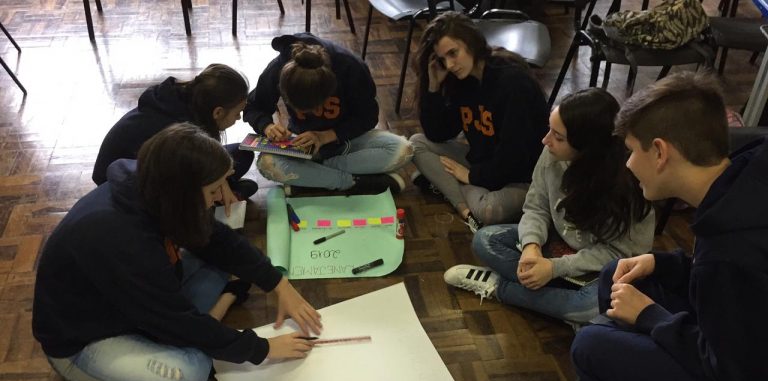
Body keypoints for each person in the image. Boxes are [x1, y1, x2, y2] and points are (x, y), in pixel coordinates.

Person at [34, 123, 323, 381]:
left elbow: (216, 238)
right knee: (190, 375)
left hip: (138, 303)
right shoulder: (120, 237)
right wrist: (262, 349)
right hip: (84, 342)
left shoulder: (157, 187)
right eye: (213, 191)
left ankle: (209, 318)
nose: (220, 199)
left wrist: (278, 284)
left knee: (219, 261)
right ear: (184, 193)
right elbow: (172, 319)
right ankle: (213, 316)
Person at [571, 72, 768, 381]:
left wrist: (650, 317)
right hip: (740, 342)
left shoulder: (729, 253)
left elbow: (732, 373)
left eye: (632, 151)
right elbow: (739, 297)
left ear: (660, 152)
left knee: (589, 347)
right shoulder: (745, 176)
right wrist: (665, 264)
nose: (628, 164)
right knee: (616, 276)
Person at [443, 88, 654, 324]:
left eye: (558, 137)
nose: (545, 141)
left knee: (591, 307)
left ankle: (501, 288)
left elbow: (618, 254)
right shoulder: (552, 154)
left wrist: (554, 269)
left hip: (601, 267)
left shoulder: (626, 186)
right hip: (558, 244)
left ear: (587, 147)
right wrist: (531, 246)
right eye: (549, 129)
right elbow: (536, 206)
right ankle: (556, 298)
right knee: (485, 239)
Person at [410, 12, 549, 232]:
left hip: (522, 177)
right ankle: (466, 210)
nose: (450, 64)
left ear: (471, 42)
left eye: (453, 53)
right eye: (443, 59)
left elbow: (514, 158)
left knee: (489, 210)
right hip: (483, 164)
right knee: (416, 144)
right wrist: (433, 87)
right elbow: (437, 133)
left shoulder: (513, 83)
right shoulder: (462, 79)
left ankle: (448, 186)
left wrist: (468, 176)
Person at [244, 33, 413, 195]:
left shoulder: (351, 67)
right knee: (267, 163)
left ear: (330, 89)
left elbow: (368, 116)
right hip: (301, 144)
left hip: (347, 140)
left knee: (402, 149)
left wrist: (325, 136)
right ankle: (352, 182)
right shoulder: (278, 68)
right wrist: (267, 126)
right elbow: (253, 106)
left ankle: (313, 178)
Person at [92, 63, 258, 211]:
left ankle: (218, 194)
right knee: (222, 180)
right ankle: (216, 199)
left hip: (152, 167)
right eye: (237, 113)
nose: (239, 118)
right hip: (122, 184)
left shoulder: (188, 99)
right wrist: (220, 182)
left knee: (241, 153)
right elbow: (179, 179)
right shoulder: (180, 134)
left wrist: (221, 182)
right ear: (218, 112)